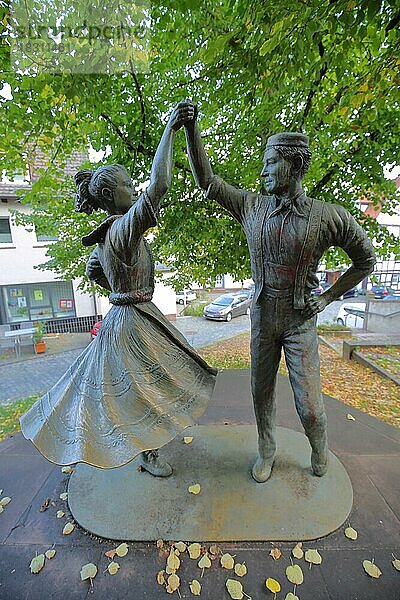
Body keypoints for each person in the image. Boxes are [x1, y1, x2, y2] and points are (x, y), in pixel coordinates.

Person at [20, 102, 217, 476]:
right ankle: (148, 453)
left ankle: (147, 450)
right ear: (111, 196)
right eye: (128, 185)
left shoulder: (110, 236)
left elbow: (99, 272)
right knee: (146, 389)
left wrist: (111, 282)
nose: (135, 188)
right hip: (133, 322)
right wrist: (170, 129)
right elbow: (160, 185)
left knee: (147, 386)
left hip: (131, 315)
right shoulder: (123, 229)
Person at [184, 108, 376, 482]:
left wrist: (328, 298)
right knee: (261, 392)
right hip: (262, 318)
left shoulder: (328, 216)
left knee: (310, 407)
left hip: (299, 320)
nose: (263, 171)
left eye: (271, 163)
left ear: (293, 165)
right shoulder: (251, 207)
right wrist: (192, 128)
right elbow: (207, 180)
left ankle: (320, 448)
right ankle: (267, 449)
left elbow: (364, 260)